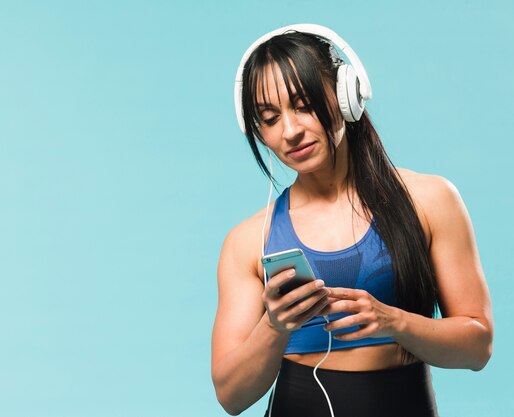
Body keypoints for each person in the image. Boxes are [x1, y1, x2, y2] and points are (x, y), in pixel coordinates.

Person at [211, 25, 493, 417]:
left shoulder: (430, 200)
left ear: (347, 96)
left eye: (304, 104)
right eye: (271, 118)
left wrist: (394, 322)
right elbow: (230, 396)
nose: (290, 131)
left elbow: (478, 348)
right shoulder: (247, 241)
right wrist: (275, 326)